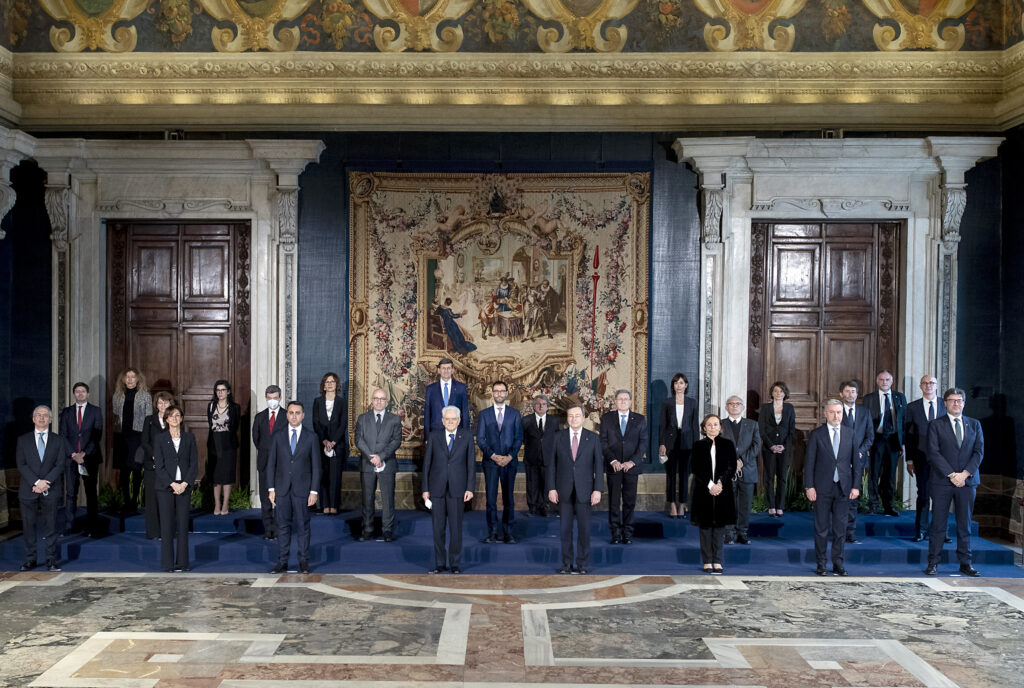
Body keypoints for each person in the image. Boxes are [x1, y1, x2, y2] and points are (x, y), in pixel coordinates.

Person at [925, 387, 984, 577]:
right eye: (952, 400)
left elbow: (978, 452)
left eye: (959, 400)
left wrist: (965, 474)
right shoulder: (935, 425)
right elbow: (933, 453)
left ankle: (965, 563)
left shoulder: (974, 425)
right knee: (938, 524)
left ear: (964, 403)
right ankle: (933, 562)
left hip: (967, 482)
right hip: (942, 482)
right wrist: (952, 475)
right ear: (945, 403)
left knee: (964, 524)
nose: (956, 404)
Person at [804, 399, 860, 576]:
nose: (836, 416)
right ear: (825, 413)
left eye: (839, 412)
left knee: (840, 529)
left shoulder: (850, 434)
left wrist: (856, 486)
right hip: (821, 488)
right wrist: (809, 486)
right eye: (832, 412)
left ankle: (838, 564)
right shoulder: (817, 434)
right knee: (821, 529)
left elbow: (856, 464)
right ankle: (821, 564)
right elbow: (809, 462)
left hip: (844, 488)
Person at [547, 404, 603, 574]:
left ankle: (582, 565)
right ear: (567, 418)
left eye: (577, 416)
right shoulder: (558, 437)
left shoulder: (593, 438)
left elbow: (599, 467)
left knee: (584, 530)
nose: (573, 419)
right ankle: (566, 565)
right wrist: (551, 488)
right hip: (563, 490)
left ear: (584, 417)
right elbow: (551, 466)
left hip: (585, 491)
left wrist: (597, 489)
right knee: (565, 530)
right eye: (570, 416)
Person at [267, 401, 321, 574]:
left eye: (298, 413)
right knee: (282, 526)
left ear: (303, 415)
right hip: (282, 490)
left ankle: (303, 562)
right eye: (291, 413)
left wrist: (314, 491)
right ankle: (282, 562)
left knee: (303, 526)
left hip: (303, 490)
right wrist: (271, 488)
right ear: (286, 415)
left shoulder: (311, 437)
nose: (294, 416)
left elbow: (316, 467)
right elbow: (271, 465)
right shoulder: (278, 436)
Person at [422, 406, 476, 573]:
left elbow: (471, 465)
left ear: (459, 421)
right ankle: (439, 563)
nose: (450, 422)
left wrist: (470, 488)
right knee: (438, 529)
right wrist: (425, 489)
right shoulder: (434, 436)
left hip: (458, 489)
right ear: (442, 420)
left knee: (455, 528)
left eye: (454, 419)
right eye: (447, 419)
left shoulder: (466, 437)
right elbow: (426, 464)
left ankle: (454, 564)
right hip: (436, 488)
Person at [16, 406, 66, 572]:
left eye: (45, 415)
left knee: (51, 526)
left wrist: (46, 482)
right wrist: (36, 482)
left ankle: (51, 560)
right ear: (33, 419)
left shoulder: (58, 440)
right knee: (29, 526)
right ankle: (30, 560)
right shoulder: (23, 440)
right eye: (38, 415)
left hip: (50, 488)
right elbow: (21, 464)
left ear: (51, 420)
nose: (42, 418)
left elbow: (60, 464)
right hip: (29, 489)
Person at [476, 380, 523, 543]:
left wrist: (509, 456)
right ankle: (493, 533)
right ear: (492, 393)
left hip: (510, 463)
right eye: (496, 391)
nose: (499, 394)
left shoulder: (515, 414)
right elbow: (481, 439)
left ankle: (508, 533)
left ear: (507, 393)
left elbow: (518, 439)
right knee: (490, 500)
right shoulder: (484, 414)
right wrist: (494, 456)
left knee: (509, 499)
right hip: (491, 463)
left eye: (502, 391)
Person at [153, 405, 198, 572]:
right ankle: (168, 564)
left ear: (182, 418)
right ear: (166, 420)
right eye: (171, 416)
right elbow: (159, 466)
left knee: (182, 525)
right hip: (166, 487)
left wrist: (184, 484)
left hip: (184, 486)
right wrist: (172, 484)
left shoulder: (189, 438)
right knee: (166, 526)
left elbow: (194, 464)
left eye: (177, 415)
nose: (174, 419)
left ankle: (183, 563)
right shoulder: (159, 438)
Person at [599, 390, 647, 545]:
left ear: (631, 401)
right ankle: (615, 534)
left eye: (626, 399)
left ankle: (627, 533)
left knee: (629, 502)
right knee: (613, 502)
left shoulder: (639, 419)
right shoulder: (606, 419)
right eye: (620, 399)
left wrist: (632, 462)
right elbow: (603, 442)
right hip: (614, 467)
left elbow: (643, 444)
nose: (623, 401)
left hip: (631, 468)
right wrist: (613, 461)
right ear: (615, 401)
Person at [690, 414, 736, 574]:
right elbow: (696, 467)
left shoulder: (728, 444)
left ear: (720, 427)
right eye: (709, 425)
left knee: (719, 528)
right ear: (704, 428)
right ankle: (707, 561)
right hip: (703, 490)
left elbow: (731, 466)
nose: (713, 427)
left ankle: (718, 561)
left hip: (723, 490)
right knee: (705, 527)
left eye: (716, 424)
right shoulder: (698, 445)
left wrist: (720, 483)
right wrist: (710, 484)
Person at [904, 375, 948, 542]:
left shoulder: (946, 405)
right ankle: (921, 531)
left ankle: (940, 532)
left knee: (942, 496)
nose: (928, 385)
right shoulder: (912, 407)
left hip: (944, 460)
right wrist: (909, 460)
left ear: (937, 386)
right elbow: (908, 436)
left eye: (931, 383)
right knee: (923, 495)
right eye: (925, 383)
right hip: (921, 458)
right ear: (921, 386)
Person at [355, 388, 403, 541]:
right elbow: (358, 440)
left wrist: (381, 456)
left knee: (388, 498)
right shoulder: (362, 418)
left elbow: (396, 440)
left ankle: (387, 531)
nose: (379, 401)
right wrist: (371, 457)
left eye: (382, 399)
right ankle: (367, 530)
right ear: (371, 400)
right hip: (367, 464)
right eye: (376, 398)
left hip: (387, 463)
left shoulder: (394, 419)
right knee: (367, 499)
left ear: (387, 402)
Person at [58, 382, 103, 537]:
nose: (80, 394)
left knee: (91, 493)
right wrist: (73, 454)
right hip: (70, 459)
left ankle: (92, 528)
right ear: (74, 394)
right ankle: (69, 526)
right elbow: (62, 435)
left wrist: (83, 453)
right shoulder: (66, 412)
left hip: (89, 458)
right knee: (70, 493)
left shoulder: (96, 411)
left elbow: (97, 435)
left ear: (88, 394)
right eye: (77, 391)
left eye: (83, 391)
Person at [864, 370, 907, 516]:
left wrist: (903, 443)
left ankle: (889, 506)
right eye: (881, 380)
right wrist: (867, 444)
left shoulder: (900, 397)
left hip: (894, 440)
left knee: (890, 476)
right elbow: (865, 422)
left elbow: (904, 421)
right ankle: (873, 506)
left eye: (887, 379)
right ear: (877, 382)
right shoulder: (869, 398)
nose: (884, 382)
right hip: (876, 439)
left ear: (892, 381)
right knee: (874, 474)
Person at [721, 396, 761, 545]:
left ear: (743, 407)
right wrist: (732, 462)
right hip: (727, 471)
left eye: (738, 404)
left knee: (745, 504)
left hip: (748, 470)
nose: (735, 406)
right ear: (726, 407)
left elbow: (757, 446)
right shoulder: (720, 425)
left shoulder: (752, 425)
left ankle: (742, 533)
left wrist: (742, 461)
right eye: (731, 404)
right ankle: (728, 534)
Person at [658, 373, 699, 518]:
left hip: (687, 443)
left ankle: (682, 504)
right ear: (673, 386)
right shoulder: (667, 402)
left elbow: (695, 426)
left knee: (684, 475)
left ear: (686, 385)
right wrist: (662, 443)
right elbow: (662, 425)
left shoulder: (692, 402)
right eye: (676, 383)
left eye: (681, 383)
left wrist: (697, 445)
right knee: (671, 475)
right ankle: (672, 504)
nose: (679, 386)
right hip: (670, 443)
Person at [112, 368, 152, 513]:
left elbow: (149, 418)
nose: (130, 380)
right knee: (123, 470)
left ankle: (135, 502)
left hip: (138, 436)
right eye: (127, 377)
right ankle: (126, 501)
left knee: (135, 469)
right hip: (122, 436)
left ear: (138, 379)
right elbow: (116, 415)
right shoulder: (117, 396)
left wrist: (146, 439)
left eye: (133, 377)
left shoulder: (145, 396)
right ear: (123, 379)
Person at [838, 380, 874, 545]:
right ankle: (838, 531)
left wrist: (859, 452)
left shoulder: (864, 412)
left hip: (858, 461)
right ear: (841, 394)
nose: (850, 394)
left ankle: (850, 533)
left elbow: (870, 437)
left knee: (853, 498)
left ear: (857, 394)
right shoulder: (836, 411)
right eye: (847, 391)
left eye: (853, 391)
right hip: (840, 462)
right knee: (839, 497)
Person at [757, 381, 796, 519]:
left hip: (784, 448)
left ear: (785, 393)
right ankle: (771, 506)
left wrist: (784, 446)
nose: (778, 394)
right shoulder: (765, 408)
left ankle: (780, 507)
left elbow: (792, 430)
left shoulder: (790, 408)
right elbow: (761, 429)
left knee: (782, 478)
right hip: (769, 448)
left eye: (781, 391)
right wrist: (771, 445)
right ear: (772, 393)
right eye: (775, 391)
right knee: (769, 477)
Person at [252, 385, 285, 540]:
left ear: (280, 398)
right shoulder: (259, 417)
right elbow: (256, 439)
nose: (272, 400)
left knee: (280, 499)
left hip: (282, 465)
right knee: (265, 499)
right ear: (266, 398)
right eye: (269, 398)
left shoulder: (287, 415)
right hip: (264, 462)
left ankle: (278, 530)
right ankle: (268, 530)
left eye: (275, 398)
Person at [140, 391, 175, 540]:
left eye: (165, 403)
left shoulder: (174, 419)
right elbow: (144, 441)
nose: (162, 406)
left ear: (170, 404)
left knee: (167, 498)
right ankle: (153, 532)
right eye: (160, 403)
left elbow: (178, 439)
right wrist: (154, 454)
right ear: (156, 404)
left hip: (168, 466)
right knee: (152, 499)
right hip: (151, 465)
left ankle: (166, 532)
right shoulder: (149, 420)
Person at [312, 372, 347, 515]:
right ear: (323, 386)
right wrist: (324, 440)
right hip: (321, 445)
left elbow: (343, 423)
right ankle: (325, 505)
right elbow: (315, 423)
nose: (330, 384)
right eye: (327, 382)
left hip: (337, 445)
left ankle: (334, 505)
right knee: (324, 475)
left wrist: (333, 442)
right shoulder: (317, 401)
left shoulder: (341, 402)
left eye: (332, 381)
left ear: (336, 385)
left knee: (335, 476)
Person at [206, 379, 241, 516]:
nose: (220, 393)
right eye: (218, 390)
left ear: (228, 392)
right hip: (214, 442)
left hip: (229, 443)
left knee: (227, 474)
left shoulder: (235, 407)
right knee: (215, 475)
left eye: (223, 390)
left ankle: (225, 504)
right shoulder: (211, 406)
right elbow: (211, 425)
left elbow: (235, 426)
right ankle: (217, 504)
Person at [522, 395, 559, 517]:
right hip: (531, 457)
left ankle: (544, 507)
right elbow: (522, 438)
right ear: (533, 406)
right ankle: (532, 507)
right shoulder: (526, 420)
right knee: (532, 484)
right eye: (538, 404)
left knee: (546, 483)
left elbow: (557, 439)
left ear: (547, 406)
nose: (541, 406)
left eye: (543, 404)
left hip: (548, 458)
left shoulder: (554, 421)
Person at [423, 358, 469, 435]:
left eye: (448, 368)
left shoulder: (461, 388)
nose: (446, 371)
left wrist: (465, 435)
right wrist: (427, 437)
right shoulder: (430, 389)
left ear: (452, 370)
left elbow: (465, 412)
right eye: (443, 368)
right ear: (439, 370)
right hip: (436, 433)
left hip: (456, 431)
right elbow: (427, 414)